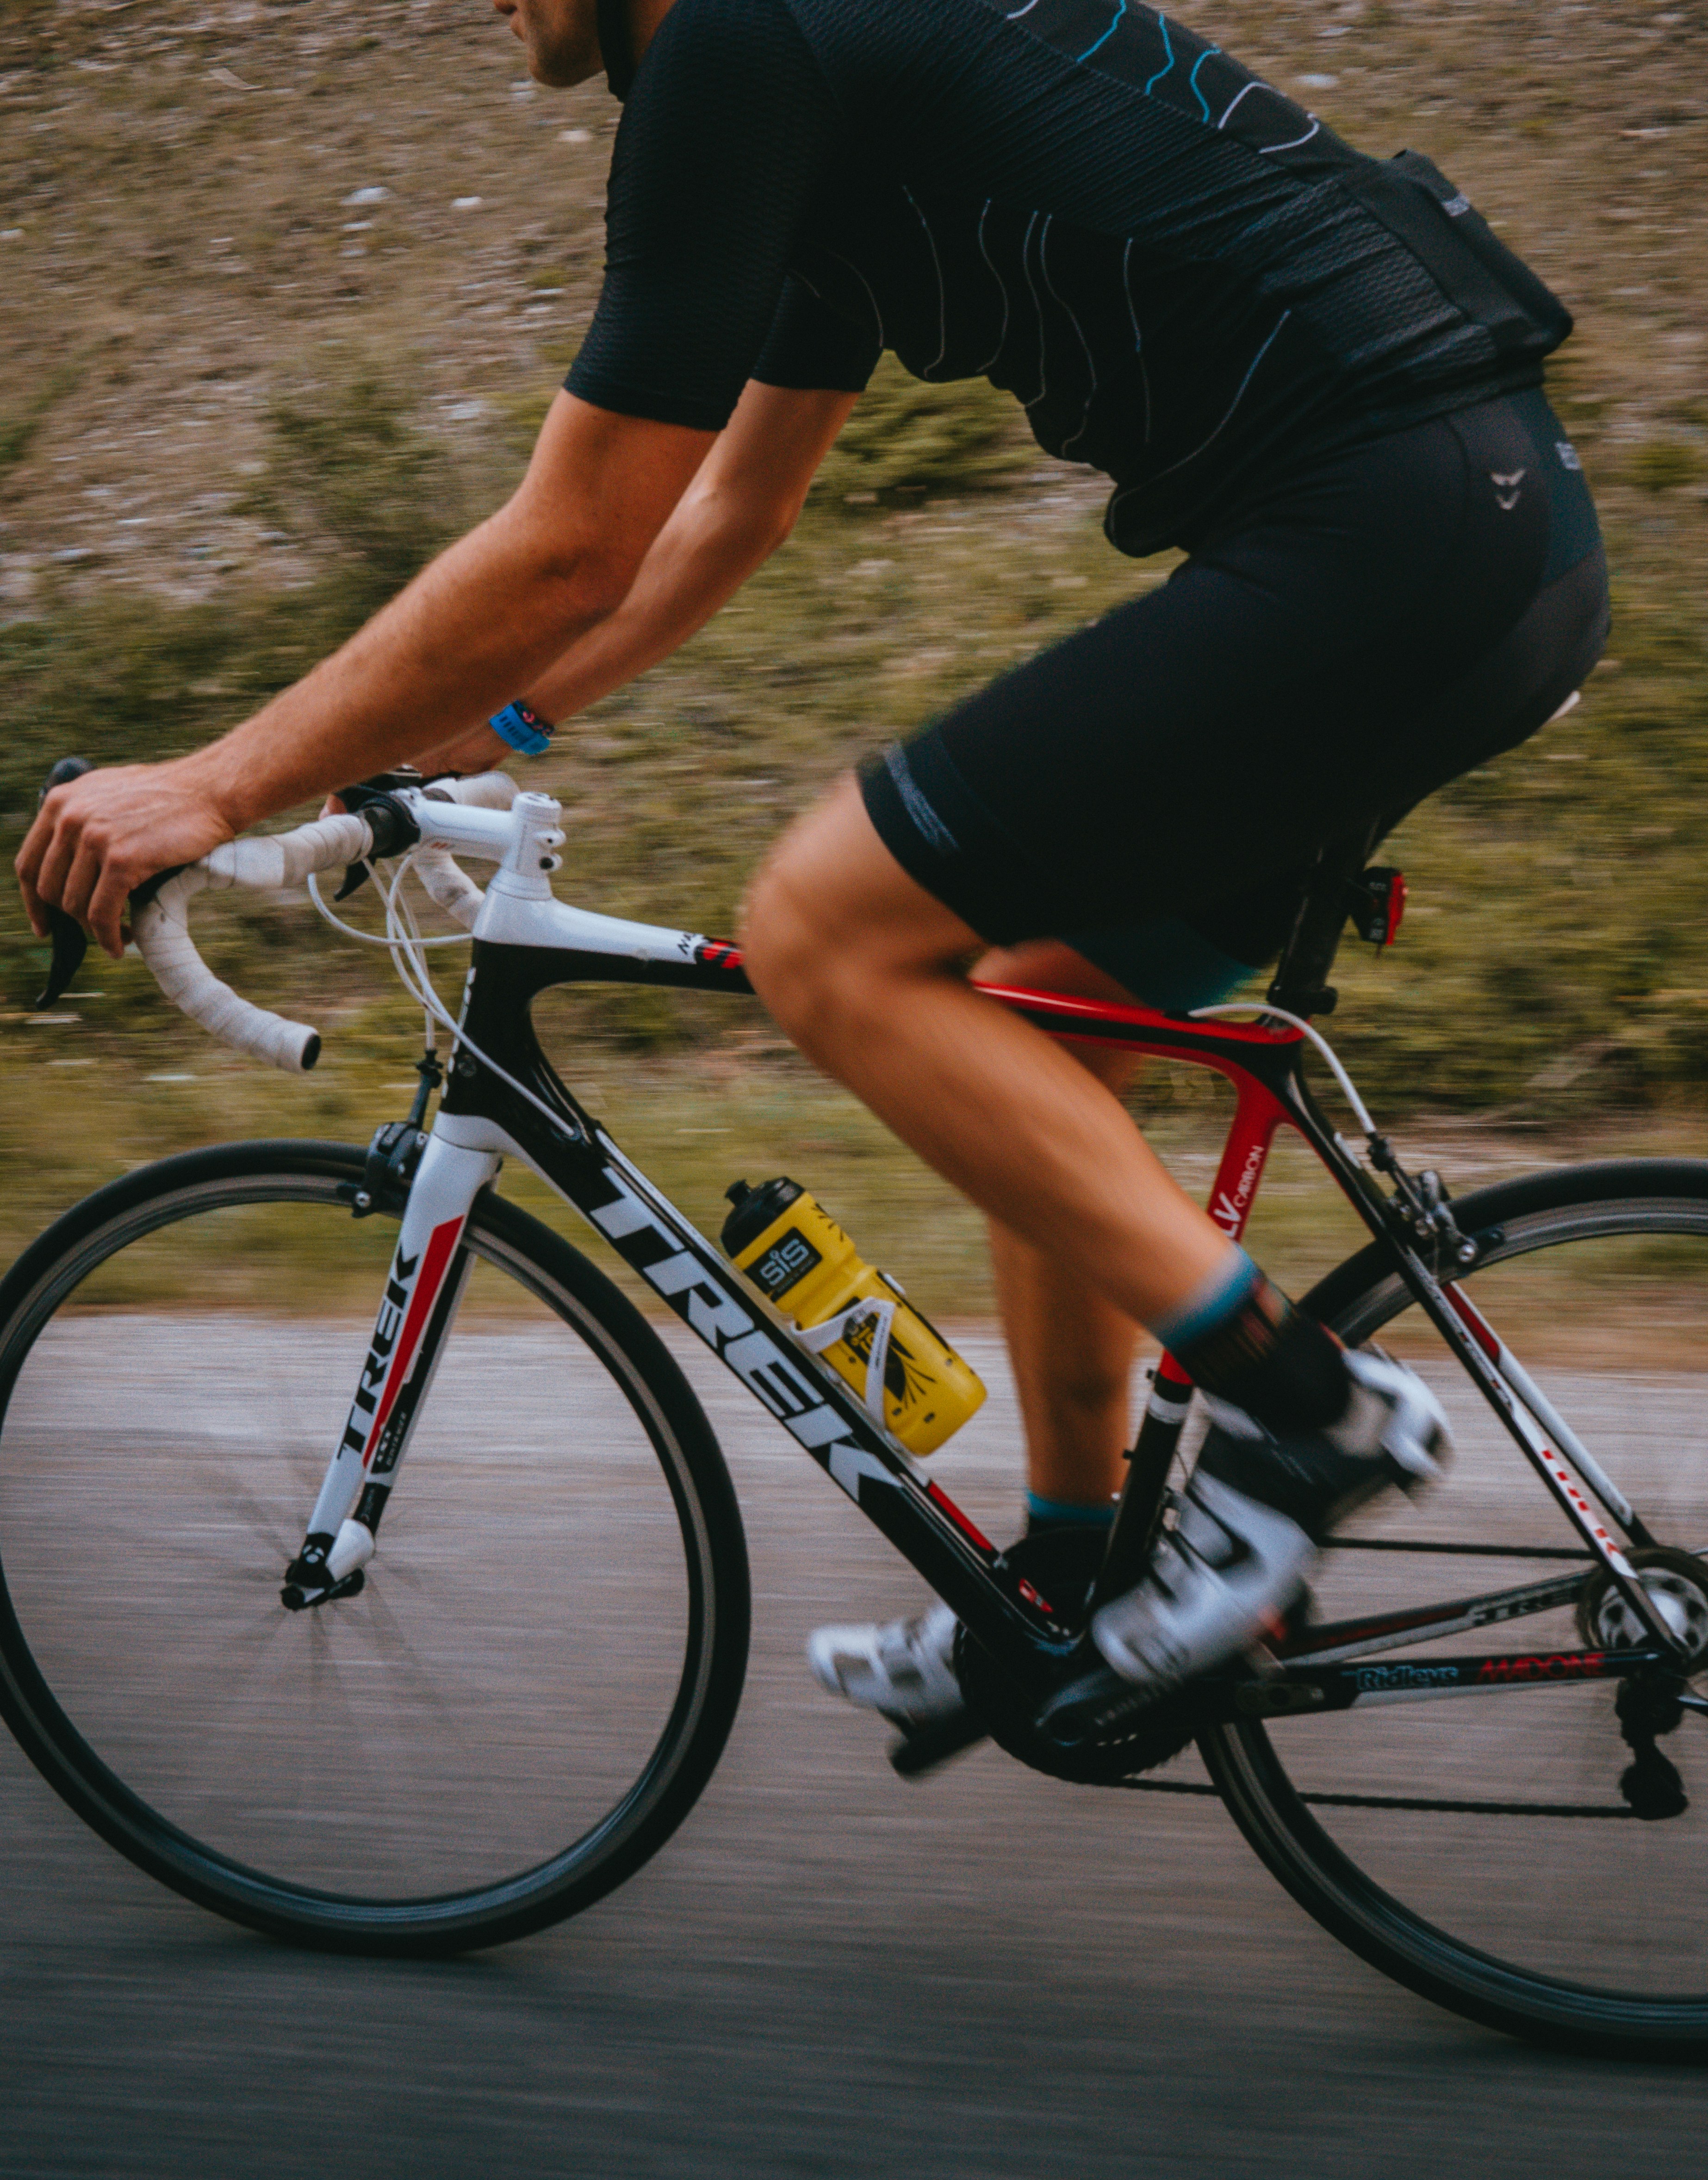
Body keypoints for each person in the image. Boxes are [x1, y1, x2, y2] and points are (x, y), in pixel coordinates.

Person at [17, 0, 1608, 1745]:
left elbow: (572, 538)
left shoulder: (741, 41)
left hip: (1382, 535)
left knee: (822, 934)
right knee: (1041, 1031)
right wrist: (500, 722)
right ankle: (1068, 1593)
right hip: (1482, 538)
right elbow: (726, 511)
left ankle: (1309, 1411)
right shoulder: (826, 64)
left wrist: (219, 779)